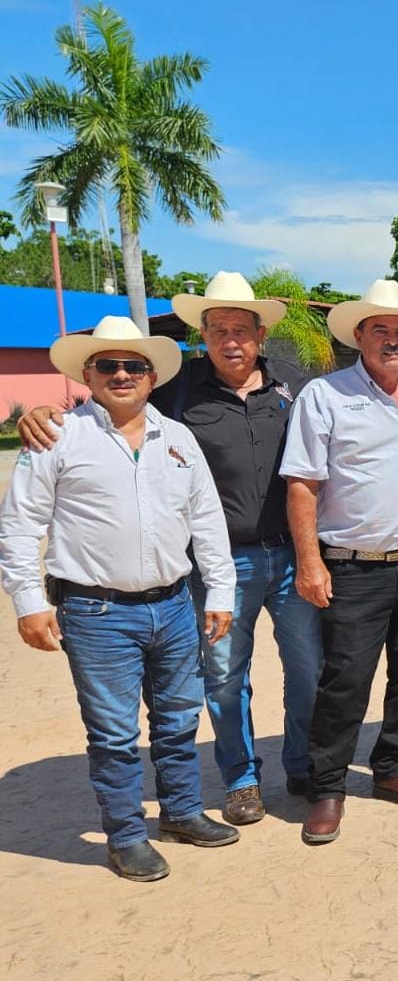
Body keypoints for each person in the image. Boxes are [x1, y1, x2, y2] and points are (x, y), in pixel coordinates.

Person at [18, 271, 319, 826]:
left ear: (259, 336)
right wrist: (40, 414)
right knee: (226, 679)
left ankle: (300, 766)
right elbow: (109, 411)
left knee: (306, 670)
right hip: (217, 564)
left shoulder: (291, 389)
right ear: (203, 335)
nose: (231, 340)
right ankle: (242, 779)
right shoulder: (177, 392)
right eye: (218, 328)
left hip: (289, 557)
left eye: (242, 329)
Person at [0, 316, 239, 881]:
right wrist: (29, 602)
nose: (122, 374)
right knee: (113, 732)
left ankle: (180, 812)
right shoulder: (56, 436)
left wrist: (220, 590)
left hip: (176, 606)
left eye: (134, 365)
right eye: (108, 364)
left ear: (153, 375)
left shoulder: (178, 439)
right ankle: (126, 834)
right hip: (96, 611)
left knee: (179, 719)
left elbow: (206, 521)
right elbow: (19, 524)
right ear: (88, 373)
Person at [280, 279, 398, 845]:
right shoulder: (324, 397)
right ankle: (327, 787)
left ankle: (393, 766)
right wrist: (310, 562)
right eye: (382, 330)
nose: (394, 340)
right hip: (353, 565)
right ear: (359, 336)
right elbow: (302, 485)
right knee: (345, 680)